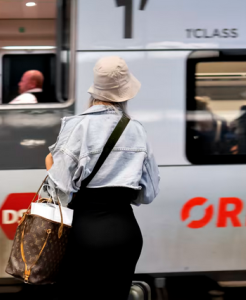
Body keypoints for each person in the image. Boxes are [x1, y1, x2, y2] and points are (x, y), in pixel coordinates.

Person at [44, 56, 160, 299]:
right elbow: (148, 193)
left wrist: (49, 165)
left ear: (94, 91)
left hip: (83, 234)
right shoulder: (136, 129)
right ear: (126, 93)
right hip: (125, 235)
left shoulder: (76, 127)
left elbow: (58, 190)